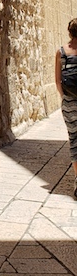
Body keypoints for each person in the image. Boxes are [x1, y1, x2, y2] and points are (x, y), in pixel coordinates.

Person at [55, 17, 77, 197]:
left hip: (69, 102)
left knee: (74, 139)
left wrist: (65, 98)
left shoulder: (61, 52)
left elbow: (57, 81)